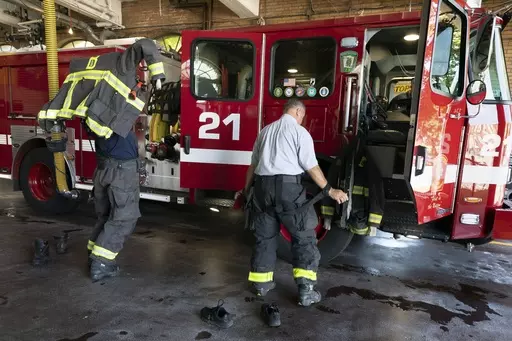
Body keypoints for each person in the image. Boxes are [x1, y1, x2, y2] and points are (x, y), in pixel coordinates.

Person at [243, 98, 349, 307]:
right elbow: (312, 167)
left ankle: (261, 286)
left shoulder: (265, 131)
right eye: (303, 116)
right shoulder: (300, 133)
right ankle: (306, 291)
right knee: (303, 237)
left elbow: (252, 165)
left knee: (264, 237)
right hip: (288, 188)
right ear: (299, 112)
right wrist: (330, 190)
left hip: (262, 188)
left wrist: (246, 190)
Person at [86, 130, 141, 282]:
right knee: (124, 219)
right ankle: (101, 264)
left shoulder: (97, 115)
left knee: (106, 216)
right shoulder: (116, 115)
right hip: (121, 173)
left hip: (105, 169)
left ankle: (93, 256)